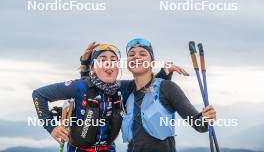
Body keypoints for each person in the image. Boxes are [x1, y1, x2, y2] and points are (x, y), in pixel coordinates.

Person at [32, 43, 184, 152]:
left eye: (113, 60)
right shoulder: (79, 86)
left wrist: (165, 72)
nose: (108, 63)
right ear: (94, 67)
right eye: (102, 59)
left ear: (118, 68)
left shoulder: (122, 88)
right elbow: (39, 95)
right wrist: (50, 127)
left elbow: (147, 85)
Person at [121, 38, 217, 152]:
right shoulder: (124, 90)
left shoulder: (167, 88)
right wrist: (94, 58)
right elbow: (99, 85)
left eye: (142, 54)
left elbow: (200, 124)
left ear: (152, 62)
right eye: (131, 54)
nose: (136, 57)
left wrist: (206, 117)